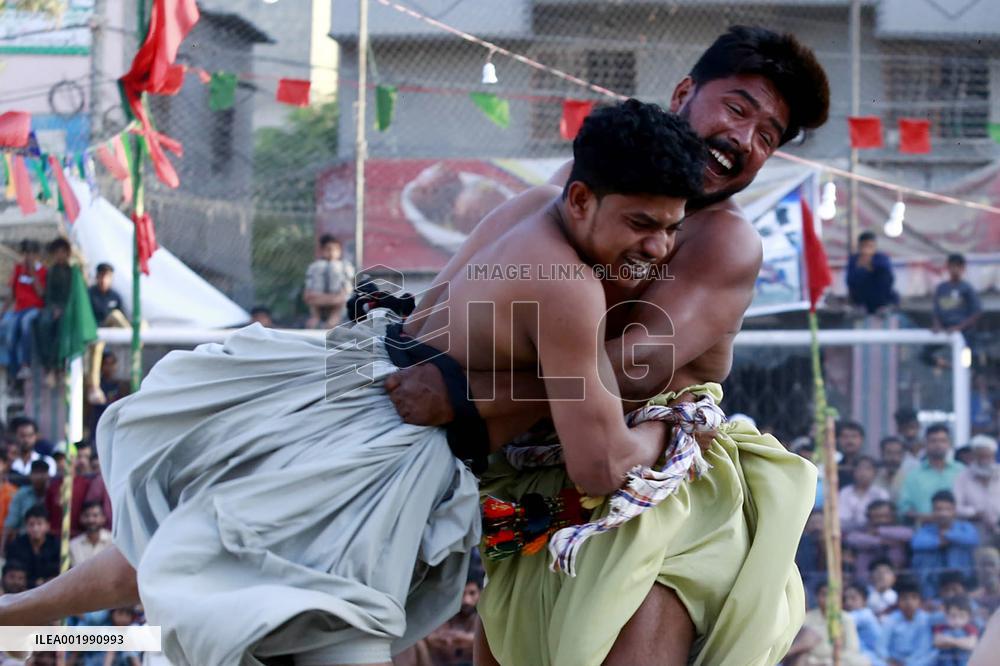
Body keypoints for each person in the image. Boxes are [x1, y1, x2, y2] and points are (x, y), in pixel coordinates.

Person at [0, 100, 710, 666]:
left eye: (672, 230)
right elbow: (600, 464)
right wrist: (678, 429)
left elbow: (397, 329)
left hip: (350, 376)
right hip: (386, 452)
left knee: (187, 539)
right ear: (583, 199)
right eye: (641, 223)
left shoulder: (528, 205)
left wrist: (453, 399)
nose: (657, 248)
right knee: (317, 622)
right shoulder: (571, 289)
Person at [387, 25, 830, 666]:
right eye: (737, 109)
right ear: (685, 92)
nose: (744, 140)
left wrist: (469, 399)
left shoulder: (726, 240)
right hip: (536, 491)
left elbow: (632, 364)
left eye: (768, 136)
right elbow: (444, 316)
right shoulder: (567, 194)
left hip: (657, 494)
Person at [911, 491, 979, 599]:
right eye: (938, 509)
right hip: (934, 580)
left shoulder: (965, 527)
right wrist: (938, 542)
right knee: (922, 555)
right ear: (933, 511)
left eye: (947, 509)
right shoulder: (925, 530)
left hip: (962, 579)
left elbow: (973, 539)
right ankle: (929, 598)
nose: (943, 513)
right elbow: (916, 543)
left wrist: (948, 534)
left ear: (954, 510)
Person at [899, 424, 963, 524]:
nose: (938, 445)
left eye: (943, 441)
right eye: (933, 441)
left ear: (949, 444)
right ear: (925, 444)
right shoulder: (913, 476)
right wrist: (927, 518)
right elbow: (904, 509)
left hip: (959, 532)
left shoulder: (962, 471)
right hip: (924, 532)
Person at [0, 240, 46, 376]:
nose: (28, 256)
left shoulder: (42, 271)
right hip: (18, 310)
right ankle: (13, 370)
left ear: (37, 255)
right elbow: (12, 293)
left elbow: (41, 293)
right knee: (10, 333)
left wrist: (33, 274)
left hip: (35, 309)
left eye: (31, 253)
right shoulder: (18, 269)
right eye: (25, 253)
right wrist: (2, 312)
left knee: (25, 324)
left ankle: (26, 364)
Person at [798, 582, 872, 666]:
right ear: (817, 596)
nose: (828, 598)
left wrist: (828, 662)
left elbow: (852, 649)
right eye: (824, 594)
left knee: (863, 661)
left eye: (832, 595)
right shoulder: (807, 618)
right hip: (813, 660)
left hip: (839, 660)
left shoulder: (846, 619)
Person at [86, 263, 129, 406]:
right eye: (101, 276)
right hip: (96, 332)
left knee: (116, 315)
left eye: (107, 277)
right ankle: (94, 387)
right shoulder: (90, 294)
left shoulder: (115, 296)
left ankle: (134, 337)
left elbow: (119, 315)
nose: (104, 280)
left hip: (111, 331)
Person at [844, 500, 912, 583]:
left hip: (897, 573)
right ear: (868, 516)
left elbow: (908, 534)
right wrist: (880, 542)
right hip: (867, 574)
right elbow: (852, 538)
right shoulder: (863, 528)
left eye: (884, 516)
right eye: (876, 516)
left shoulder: (899, 528)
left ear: (893, 515)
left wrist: (879, 531)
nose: (880, 520)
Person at [32, 238, 73, 376]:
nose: (60, 255)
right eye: (57, 252)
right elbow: (48, 295)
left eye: (62, 252)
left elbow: (73, 295)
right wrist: (54, 308)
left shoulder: (73, 272)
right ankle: (47, 364)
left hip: (68, 309)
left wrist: (62, 309)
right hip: (52, 307)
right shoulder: (52, 271)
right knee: (43, 323)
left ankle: (59, 364)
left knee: (62, 326)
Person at [953, 435, 1000, 541]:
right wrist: (974, 513)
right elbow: (955, 507)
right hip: (973, 532)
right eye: (981, 456)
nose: (985, 460)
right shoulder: (962, 477)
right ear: (973, 456)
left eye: (988, 456)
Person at [878, 580, 935, 666]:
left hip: (916, 661)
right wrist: (888, 659)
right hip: (894, 661)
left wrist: (907, 663)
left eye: (914, 598)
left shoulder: (925, 619)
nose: (909, 603)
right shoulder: (892, 618)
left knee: (934, 654)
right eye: (904, 598)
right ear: (898, 601)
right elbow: (881, 645)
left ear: (920, 601)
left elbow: (923, 648)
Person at [303, 234, 355, 329]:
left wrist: (327, 299)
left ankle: (331, 322)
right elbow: (307, 295)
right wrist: (326, 299)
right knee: (313, 323)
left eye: (335, 249)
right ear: (322, 250)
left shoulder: (345, 267)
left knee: (332, 322)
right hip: (317, 305)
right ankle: (316, 319)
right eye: (328, 249)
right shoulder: (314, 267)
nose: (332, 252)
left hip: (338, 305)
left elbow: (346, 293)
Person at [4, 505, 59, 589]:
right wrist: (34, 583)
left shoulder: (56, 545)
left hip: (50, 589)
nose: (35, 528)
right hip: (22, 590)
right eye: (31, 524)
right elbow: (11, 572)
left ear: (48, 526)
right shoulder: (16, 546)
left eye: (39, 524)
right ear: (26, 526)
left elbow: (60, 569)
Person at [847, 231, 897, 315]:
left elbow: (888, 279)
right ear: (859, 246)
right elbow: (849, 280)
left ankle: (884, 306)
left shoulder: (881, 258)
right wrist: (860, 267)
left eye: (869, 246)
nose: (866, 249)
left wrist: (869, 265)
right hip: (862, 301)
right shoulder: (854, 260)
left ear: (874, 246)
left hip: (882, 300)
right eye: (864, 246)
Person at [932, 254, 980, 342]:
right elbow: (936, 311)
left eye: (958, 266)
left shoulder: (967, 288)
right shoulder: (941, 288)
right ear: (948, 267)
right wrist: (937, 326)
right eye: (952, 266)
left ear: (963, 268)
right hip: (944, 333)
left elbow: (975, 313)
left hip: (964, 334)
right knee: (925, 353)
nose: (955, 269)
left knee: (968, 353)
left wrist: (958, 328)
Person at [4, 461, 51, 543]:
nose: (39, 477)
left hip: (49, 543)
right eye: (36, 473)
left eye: (42, 473)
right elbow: (10, 524)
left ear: (48, 476)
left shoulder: (54, 493)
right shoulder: (22, 494)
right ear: (30, 475)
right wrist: (2, 549)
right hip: (25, 542)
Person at [840, 456, 890, 532]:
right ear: (853, 472)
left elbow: (885, 519)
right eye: (859, 469)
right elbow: (843, 520)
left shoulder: (881, 493)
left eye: (868, 469)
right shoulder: (845, 492)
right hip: (851, 534)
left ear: (875, 473)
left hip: (877, 533)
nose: (863, 473)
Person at [844, 581, 885, 666]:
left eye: (853, 598)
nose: (848, 602)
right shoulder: (854, 614)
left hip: (875, 659)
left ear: (865, 600)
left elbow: (841, 621)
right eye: (845, 599)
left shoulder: (865, 615)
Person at [931, 596, 978, 666]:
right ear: (946, 615)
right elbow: (936, 642)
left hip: (963, 660)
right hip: (944, 661)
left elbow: (972, 644)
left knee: (958, 633)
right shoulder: (942, 627)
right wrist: (960, 642)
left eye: (962, 616)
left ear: (968, 617)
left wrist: (951, 641)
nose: (957, 620)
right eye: (953, 616)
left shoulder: (969, 628)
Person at [68, 502, 112, 568]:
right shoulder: (73, 545)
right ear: (81, 518)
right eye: (87, 516)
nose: (91, 520)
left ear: (103, 518)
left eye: (95, 515)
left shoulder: (114, 542)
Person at [970, 548, 1000, 621]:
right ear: (977, 568)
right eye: (983, 565)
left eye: (992, 564)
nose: (988, 569)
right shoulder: (972, 596)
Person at [875, 436, 908, 502]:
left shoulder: (909, 480)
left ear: (903, 456)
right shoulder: (873, 479)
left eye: (898, 453)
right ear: (882, 454)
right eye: (889, 453)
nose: (894, 458)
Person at [838, 421, 868, 488]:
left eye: (854, 436)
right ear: (839, 440)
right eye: (845, 436)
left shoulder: (870, 467)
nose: (849, 440)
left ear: (862, 439)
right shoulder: (835, 468)